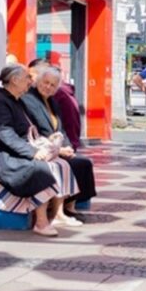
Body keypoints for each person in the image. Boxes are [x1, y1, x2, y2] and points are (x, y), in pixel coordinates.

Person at [0, 64, 80, 237]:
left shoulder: (14, 100)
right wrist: (32, 152)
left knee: (61, 164)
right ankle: (41, 221)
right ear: (15, 80)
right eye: (27, 78)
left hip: (19, 150)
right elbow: (4, 132)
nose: (31, 82)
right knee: (43, 168)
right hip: (5, 156)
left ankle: (58, 214)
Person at [22, 63, 97, 223]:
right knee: (68, 165)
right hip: (43, 148)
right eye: (45, 83)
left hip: (56, 146)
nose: (48, 87)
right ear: (38, 81)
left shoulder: (52, 102)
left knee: (83, 164)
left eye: (52, 85)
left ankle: (70, 207)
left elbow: (60, 128)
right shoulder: (30, 99)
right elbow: (41, 129)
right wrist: (59, 150)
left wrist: (67, 146)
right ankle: (58, 212)